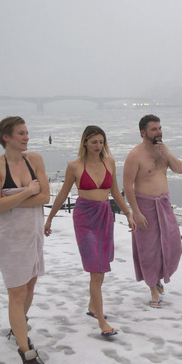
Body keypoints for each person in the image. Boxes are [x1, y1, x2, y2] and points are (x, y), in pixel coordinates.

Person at [43, 126, 135, 337]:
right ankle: (102, 321)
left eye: (101, 142)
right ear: (85, 142)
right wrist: (49, 219)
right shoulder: (74, 166)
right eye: (94, 142)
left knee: (101, 267)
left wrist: (128, 214)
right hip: (84, 217)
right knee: (96, 270)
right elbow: (62, 194)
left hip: (104, 215)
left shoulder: (109, 162)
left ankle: (93, 306)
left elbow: (115, 193)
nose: (98, 146)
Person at [0, 116, 51, 364]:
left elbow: (44, 196)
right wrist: (27, 191)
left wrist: (12, 199)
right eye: (21, 133)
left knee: (30, 286)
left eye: (27, 132)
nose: (26, 137)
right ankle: (26, 352)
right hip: (9, 237)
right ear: (6, 137)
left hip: (33, 233)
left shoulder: (34, 160)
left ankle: (18, 325)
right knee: (17, 292)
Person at [123, 114, 182, 308]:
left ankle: (158, 277)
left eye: (159, 128)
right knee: (148, 250)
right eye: (153, 129)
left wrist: (166, 153)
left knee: (174, 245)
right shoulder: (135, 155)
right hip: (145, 205)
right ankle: (152, 288)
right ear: (143, 133)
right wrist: (136, 212)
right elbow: (127, 185)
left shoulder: (162, 152)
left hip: (164, 203)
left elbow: (179, 169)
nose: (158, 132)